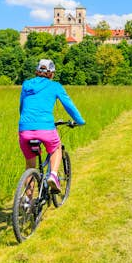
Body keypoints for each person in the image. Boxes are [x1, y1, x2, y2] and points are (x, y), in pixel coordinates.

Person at [18, 59, 85, 193]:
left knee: (30, 166)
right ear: (51, 74)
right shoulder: (55, 86)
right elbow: (69, 106)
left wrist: (28, 122)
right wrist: (80, 121)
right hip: (46, 128)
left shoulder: (26, 85)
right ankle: (53, 175)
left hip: (25, 129)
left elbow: (22, 106)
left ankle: (27, 201)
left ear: (37, 72)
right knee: (56, 148)